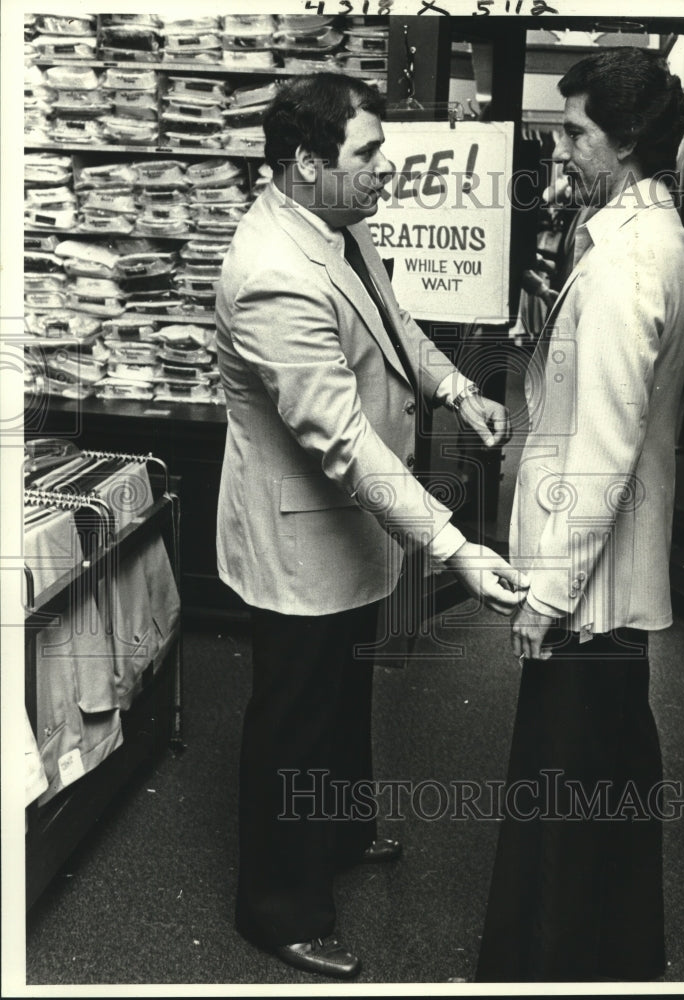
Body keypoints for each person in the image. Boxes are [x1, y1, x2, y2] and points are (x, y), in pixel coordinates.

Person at [214, 73, 522, 980]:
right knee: (294, 720)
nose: (385, 168)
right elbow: (341, 441)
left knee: (341, 698)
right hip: (301, 536)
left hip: (347, 528)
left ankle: (340, 832)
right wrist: (456, 545)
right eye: (367, 153)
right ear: (307, 164)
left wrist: (459, 389)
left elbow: (395, 327)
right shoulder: (271, 272)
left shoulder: (337, 228)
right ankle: (276, 909)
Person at [475, 47, 684, 982]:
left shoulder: (624, 269)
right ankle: (611, 961)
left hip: (589, 586)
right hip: (613, 577)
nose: (560, 150)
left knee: (563, 798)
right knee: (606, 783)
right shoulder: (649, 239)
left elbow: (603, 447)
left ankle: (547, 969)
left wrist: (546, 595)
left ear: (628, 138)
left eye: (574, 133)